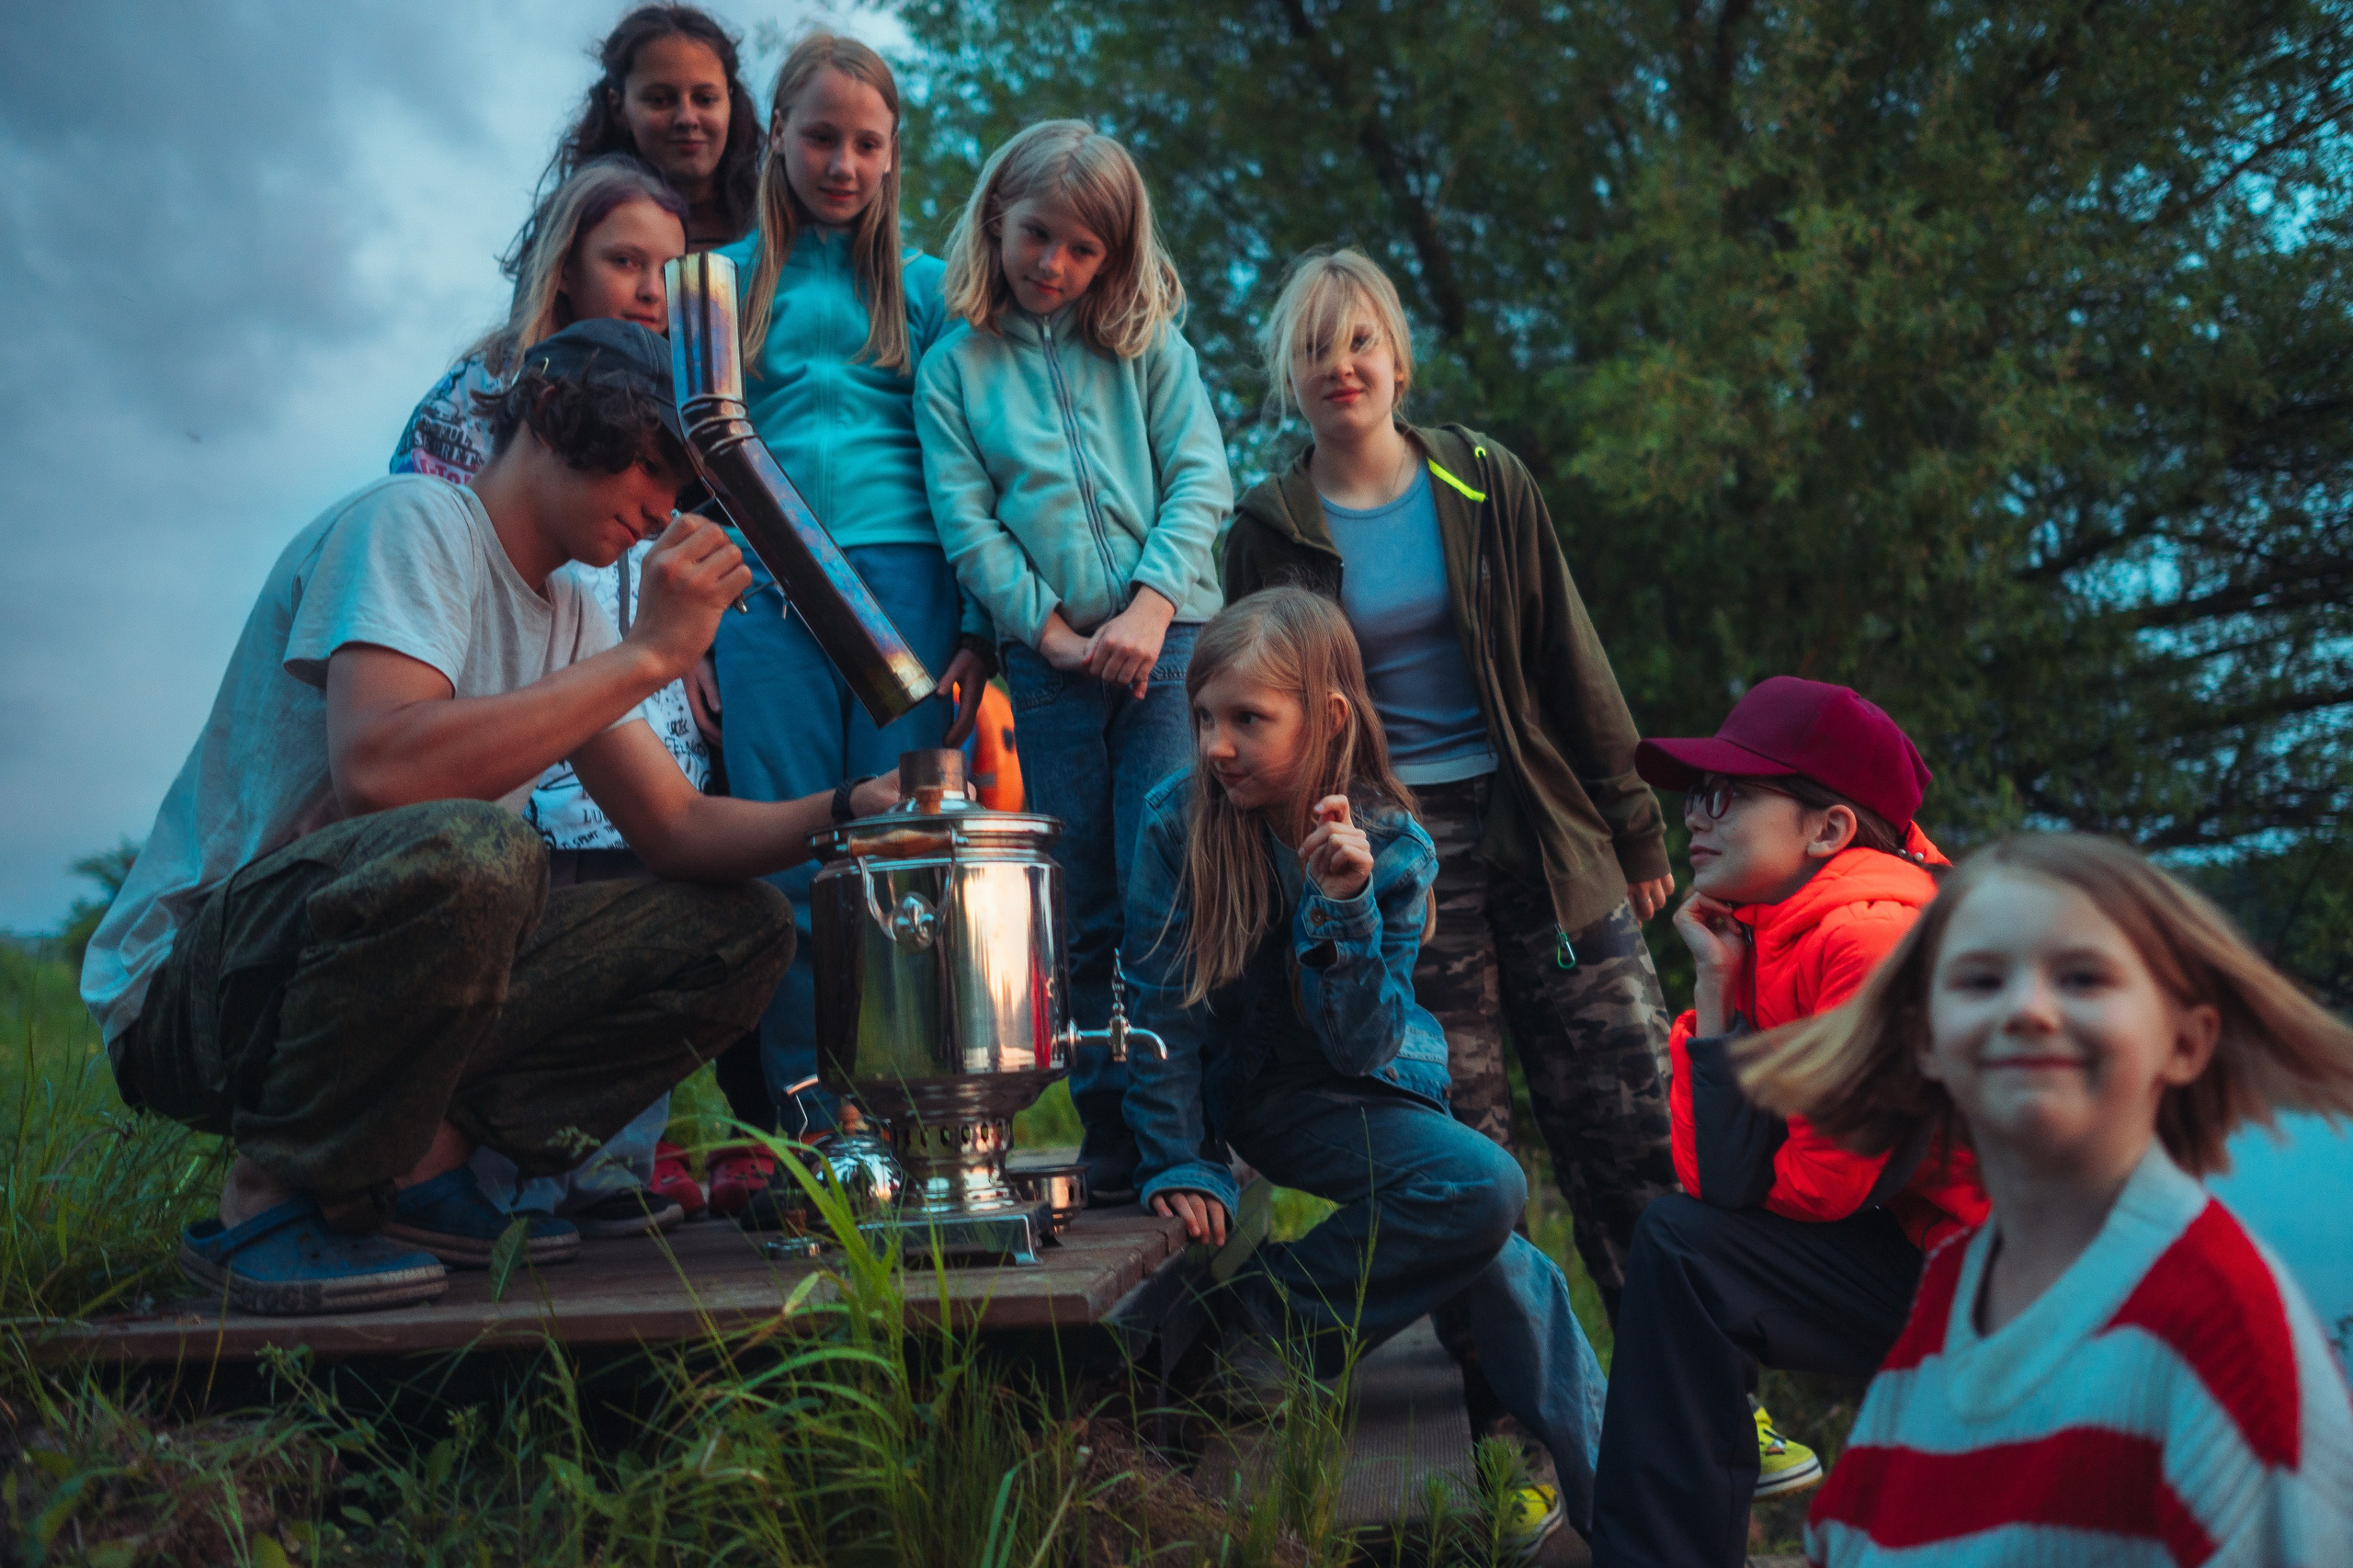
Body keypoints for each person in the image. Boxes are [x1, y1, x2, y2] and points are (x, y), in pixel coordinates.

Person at [80, 319, 901, 1314]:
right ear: (551, 415)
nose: (658, 509)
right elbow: (382, 771)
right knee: (480, 849)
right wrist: (649, 657)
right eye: (647, 468)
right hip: (197, 989)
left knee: (737, 931)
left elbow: (675, 827)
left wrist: (853, 810)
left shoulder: (567, 614)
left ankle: (424, 1166)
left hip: (329, 967)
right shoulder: (413, 522)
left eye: (679, 486)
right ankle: (265, 1196)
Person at [1224, 246, 1677, 1317]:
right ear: (1286, 375)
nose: (1340, 366)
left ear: (1398, 357)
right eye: (1313, 349)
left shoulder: (1484, 478)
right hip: (1395, 857)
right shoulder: (1266, 528)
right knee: (1465, 1139)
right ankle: (1508, 1441)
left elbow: (1572, 655)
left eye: (1360, 341)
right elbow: (1259, 715)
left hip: (1544, 832)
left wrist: (1634, 825)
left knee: (1631, 1117)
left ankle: (1699, 1392)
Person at [1122, 587, 1606, 1558]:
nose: (1217, 743)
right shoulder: (1179, 823)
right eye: (1206, 717)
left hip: (1376, 1082)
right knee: (1490, 1186)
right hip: (1265, 1094)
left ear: (1327, 717)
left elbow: (1363, 1043)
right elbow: (1159, 1005)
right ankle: (1276, 1313)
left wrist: (1341, 906)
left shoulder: (1390, 845)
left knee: (1509, 1264)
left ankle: (1635, 1523)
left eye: (1247, 719)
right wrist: (1179, 1157)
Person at [1737, 835, 2353, 1565]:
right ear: (1925, 1042)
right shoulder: (1951, 1292)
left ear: (2185, 1041)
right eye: (1980, 981)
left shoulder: (2222, 1328)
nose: (2028, 1009)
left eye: (2084, 978)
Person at [1587, 676, 1989, 1568]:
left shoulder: (1865, 940)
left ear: (1828, 829)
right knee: (1684, 1244)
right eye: (1696, 791)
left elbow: (1815, 1189)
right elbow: (1720, 1187)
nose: (1697, 813)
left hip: (2023, 1289)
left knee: (1686, 1251)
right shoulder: (1782, 929)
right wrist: (1718, 992)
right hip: (1950, 1253)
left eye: (1729, 793)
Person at [917, 119, 1232, 1204]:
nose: (1053, 265)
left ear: (1117, 255)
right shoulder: (954, 368)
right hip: (1048, 664)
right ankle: (1109, 1128)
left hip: (1170, 643)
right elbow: (968, 527)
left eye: (1083, 248)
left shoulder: (1148, 348)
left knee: (1168, 879)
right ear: (995, 217)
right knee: (1085, 897)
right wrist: (1044, 632)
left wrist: (1148, 609)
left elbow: (1200, 480)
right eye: (1036, 234)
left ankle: (1183, 1132)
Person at [392, 153, 704, 1239]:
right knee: (512, 889)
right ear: (563, 267)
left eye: (672, 268)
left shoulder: (684, 411)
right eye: (625, 260)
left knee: (638, 890)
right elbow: (445, 564)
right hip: (508, 709)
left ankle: (594, 1159)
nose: (651, 286)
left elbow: (685, 550)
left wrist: (689, 655)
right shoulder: (486, 401)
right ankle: (457, 1168)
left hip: (627, 692)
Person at [702, 34, 994, 1187]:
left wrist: (975, 629)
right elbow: (683, 457)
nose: (841, 162)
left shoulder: (926, 290)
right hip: (762, 590)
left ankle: (921, 1117)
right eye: (819, 136)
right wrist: (681, 634)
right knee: (784, 847)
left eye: (866, 143)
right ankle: (809, 1126)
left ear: (891, 155)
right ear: (774, 135)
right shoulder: (717, 280)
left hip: (905, 586)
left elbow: (970, 459)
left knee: (898, 853)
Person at [511, 5, 761, 259]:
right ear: (618, 106)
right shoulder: (571, 235)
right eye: (660, 99)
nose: (687, 118)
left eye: (705, 99)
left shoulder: (776, 228)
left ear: (730, 99)